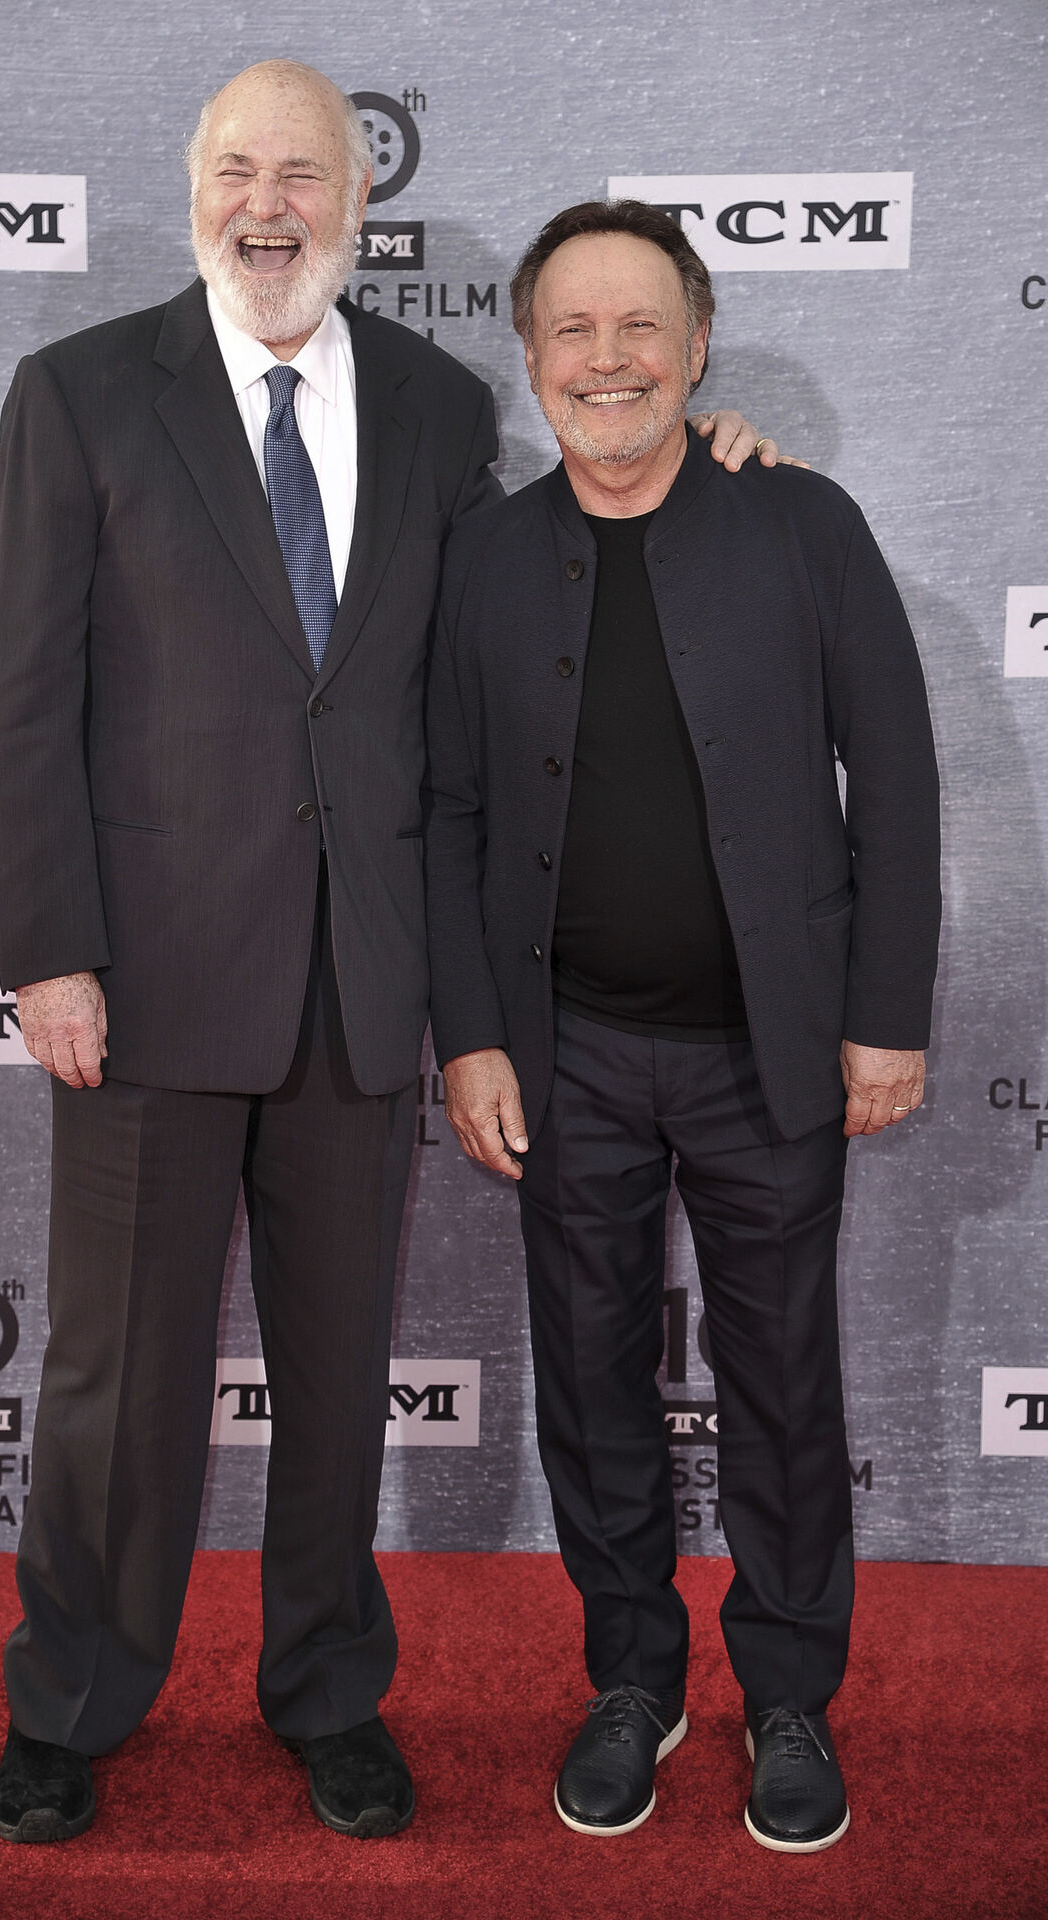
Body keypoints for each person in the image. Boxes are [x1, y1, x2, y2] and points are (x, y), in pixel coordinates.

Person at [0, 67, 773, 1846]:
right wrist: (48, 951)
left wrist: (700, 470)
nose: (272, 205)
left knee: (340, 1376)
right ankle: (77, 1698)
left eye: (304, 174)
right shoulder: (83, 391)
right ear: (194, 191)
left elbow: (524, 596)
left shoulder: (435, 403)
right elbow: (16, 700)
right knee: (118, 1379)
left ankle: (329, 1688)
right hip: (147, 983)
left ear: (355, 200)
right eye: (239, 171)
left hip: (365, 983)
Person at [426, 199, 941, 1854]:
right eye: (572, 331)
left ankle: (789, 1693)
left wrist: (881, 1016)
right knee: (588, 1378)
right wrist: (473, 1034)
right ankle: (632, 1680)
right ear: (529, 360)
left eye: (641, 326)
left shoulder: (805, 525)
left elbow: (902, 782)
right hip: (560, 1047)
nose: (608, 359)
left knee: (780, 1378)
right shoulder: (489, 556)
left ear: (698, 344)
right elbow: (446, 810)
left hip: (768, 1052)